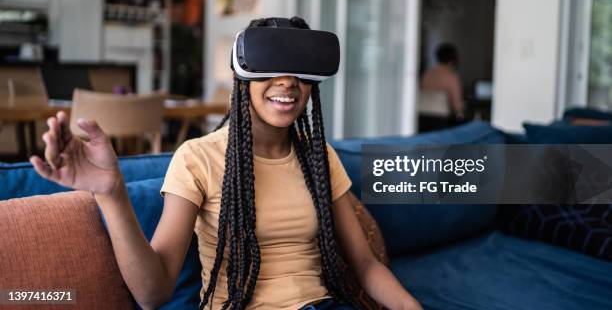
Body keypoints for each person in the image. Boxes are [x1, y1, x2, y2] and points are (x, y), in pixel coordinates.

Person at [30, 16, 422, 310]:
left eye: (300, 71)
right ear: (241, 74)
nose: (288, 82)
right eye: (270, 65)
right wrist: (111, 193)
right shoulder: (198, 157)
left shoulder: (319, 156)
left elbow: (367, 265)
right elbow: (154, 294)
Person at [420, 43, 465, 119]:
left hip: (422, 116)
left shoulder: (427, 74)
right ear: (453, 58)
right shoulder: (451, 77)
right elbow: (457, 106)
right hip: (440, 119)